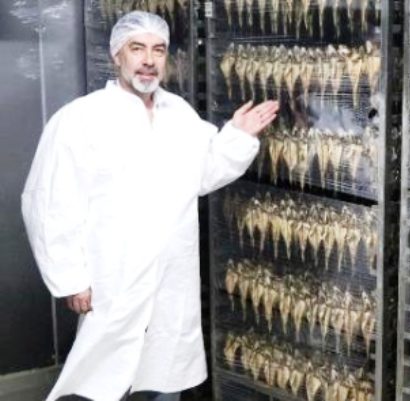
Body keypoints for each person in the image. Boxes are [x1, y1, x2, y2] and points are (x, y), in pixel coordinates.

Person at [21, 11, 278, 401]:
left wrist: (237, 137)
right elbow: (50, 201)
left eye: (158, 50)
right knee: (103, 375)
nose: (148, 60)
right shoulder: (81, 118)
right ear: (117, 55)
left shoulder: (179, 114)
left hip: (170, 273)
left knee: (163, 369)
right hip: (113, 271)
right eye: (137, 48)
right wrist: (70, 277)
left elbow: (204, 173)